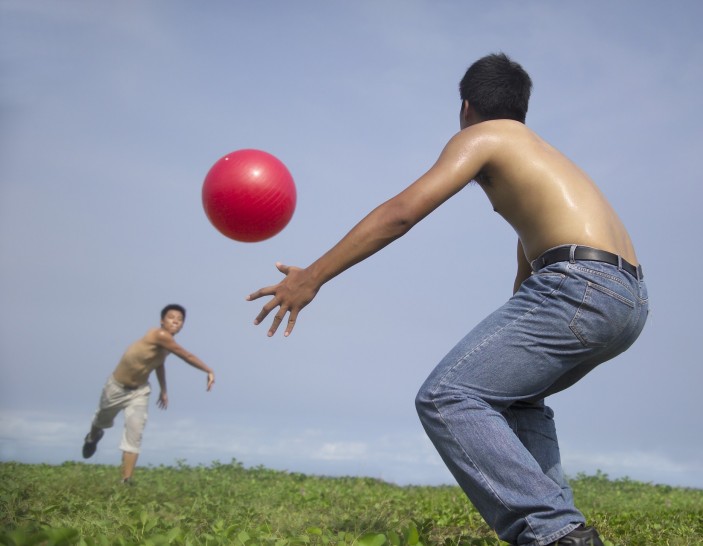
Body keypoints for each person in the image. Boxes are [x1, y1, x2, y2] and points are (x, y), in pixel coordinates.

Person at [247, 53, 648, 546]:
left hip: (579, 285)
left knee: (447, 396)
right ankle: (559, 526)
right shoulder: (543, 155)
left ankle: (555, 534)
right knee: (516, 399)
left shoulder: (482, 136)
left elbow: (400, 213)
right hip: (626, 298)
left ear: (465, 108)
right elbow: (531, 252)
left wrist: (312, 277)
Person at [82, 304, 216, 484]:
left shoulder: (166, 346)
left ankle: (126, 480)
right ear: (162, 321)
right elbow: (186, 355)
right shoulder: (159, 335)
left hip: (139, 391)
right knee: (101, 420)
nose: (175, 321)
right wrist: (208, 370)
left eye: (180, 319)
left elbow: (158, 364)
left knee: (135, 432)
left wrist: (164, 390)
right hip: (116, 387)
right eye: (171, 317)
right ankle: (92, 437)